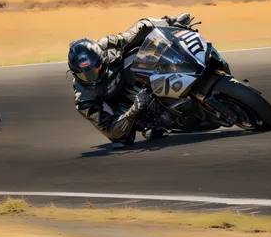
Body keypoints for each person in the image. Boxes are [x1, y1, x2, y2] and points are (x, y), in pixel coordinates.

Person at [68, 12, 193, 146]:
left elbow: (139, 29)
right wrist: (133, 111)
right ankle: (153, 123)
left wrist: (170, 23)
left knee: (146, 42)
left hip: (137, 72)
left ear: (102, 59)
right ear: (74, 73)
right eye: (83, 76)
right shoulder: (83, 99)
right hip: (122, 102)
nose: (91, 78)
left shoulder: (107, 45)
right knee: (123, 139)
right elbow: (109, 130)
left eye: (95, 71)